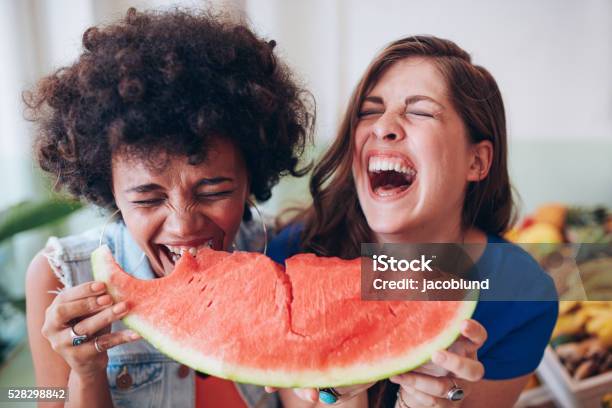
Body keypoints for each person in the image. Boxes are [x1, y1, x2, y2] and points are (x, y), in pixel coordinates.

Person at [24, 8, 313, 408]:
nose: (183, 225)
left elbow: (425, 273)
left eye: (213, 191)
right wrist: (86, 373)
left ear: (251, 176)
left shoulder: (281, 256)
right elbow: (41, 398)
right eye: (147, 199)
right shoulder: (57, 274)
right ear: (108, 187)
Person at [267, 35, 558, 407]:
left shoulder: (522, 294)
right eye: (369, 111)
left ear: (477, 162)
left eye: (420, 111)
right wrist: (334, 390)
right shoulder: (292, 259)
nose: (383, 126)